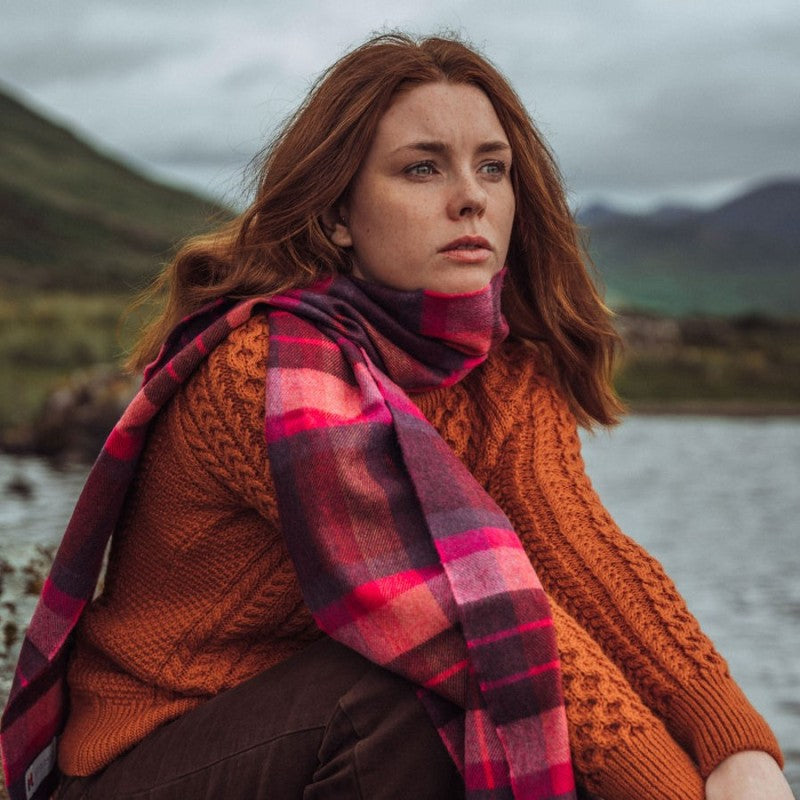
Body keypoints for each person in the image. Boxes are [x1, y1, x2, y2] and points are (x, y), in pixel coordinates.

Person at [1, 33, 794, 800]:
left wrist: (737, 746)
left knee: (567, 698)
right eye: (422, 168)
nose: (471, 197)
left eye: (493, 167)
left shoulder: (500, 368)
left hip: (309, 753)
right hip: (152, 756)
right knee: (424, 694)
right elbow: (465, 612)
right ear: (339, 213)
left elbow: (585, 554)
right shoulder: (272, 373)